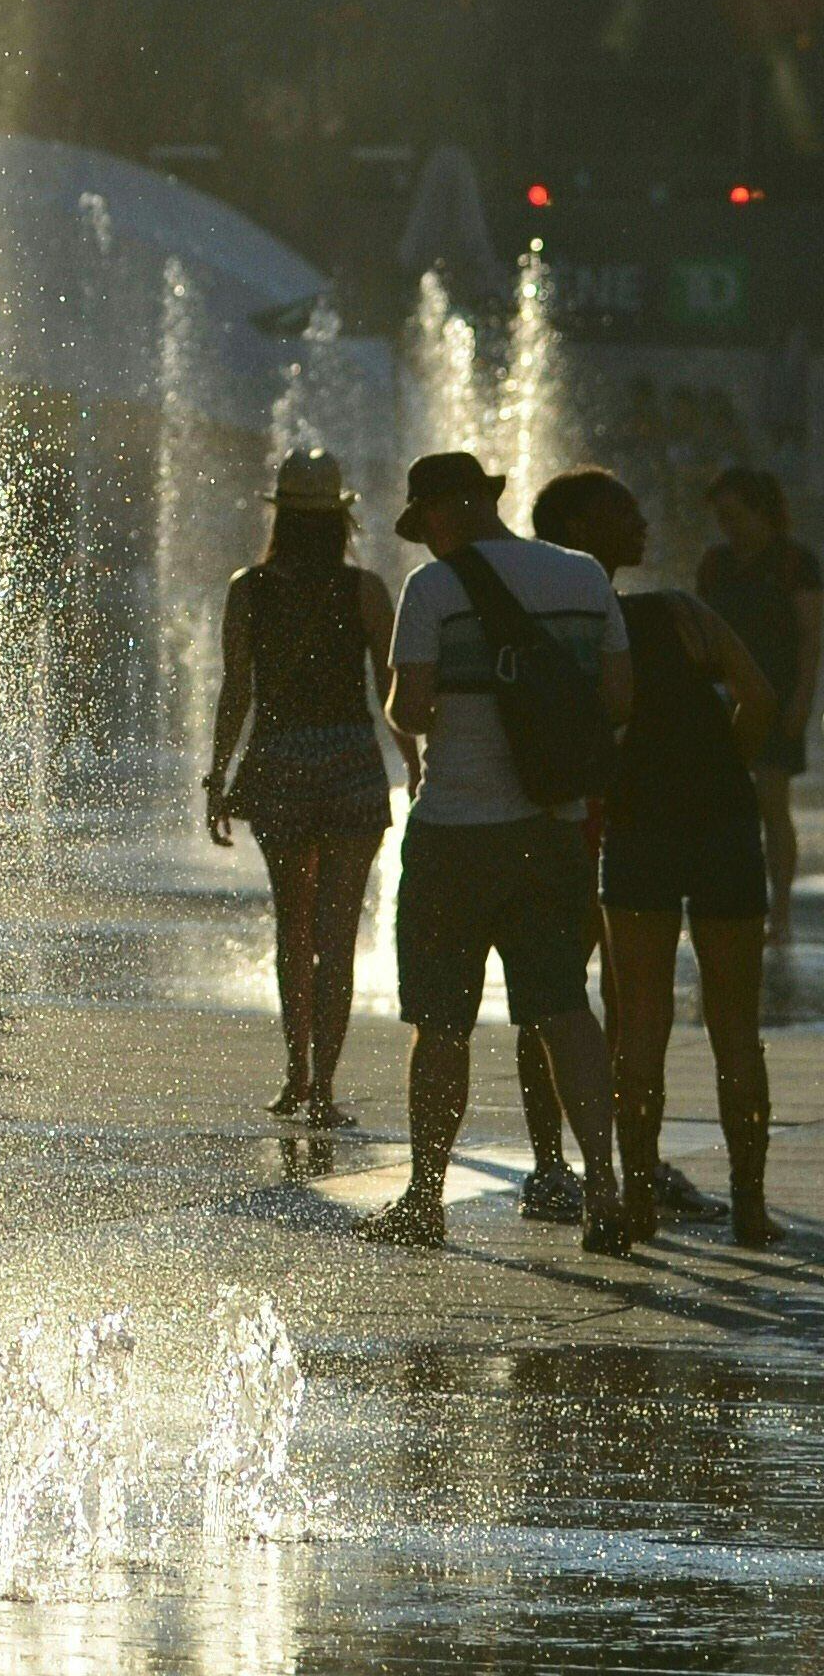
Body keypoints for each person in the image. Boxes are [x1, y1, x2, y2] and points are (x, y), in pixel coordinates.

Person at [363, 452, 634, 1256]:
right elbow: (619, 701)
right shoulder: (584, 577)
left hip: (456, 833)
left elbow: (409, 712)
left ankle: (424, 1198)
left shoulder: (436, 589)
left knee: (441, 1022)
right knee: (563, 1008)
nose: (427, 540)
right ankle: (605, 1189)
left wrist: (432, 691)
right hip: (551, 831)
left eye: (427, 522)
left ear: (453, 509)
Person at [536, 470, 785, 1245]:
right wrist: (726, 770)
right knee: (735, 1024)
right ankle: (749, 1206)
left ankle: (636, 1201)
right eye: (624, 513)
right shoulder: (680, 614)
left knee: (637, 1022)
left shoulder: (555, 626)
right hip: (721, 827)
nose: (643, 523)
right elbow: (761, 699)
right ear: (577, 528)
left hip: (636, 828)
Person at [204, 449, 413, 1129]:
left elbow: (238, 689)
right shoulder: (366, 590)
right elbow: (392, 691)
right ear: (340, 519)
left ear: (281, 515)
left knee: (292, 932)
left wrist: (217, 778)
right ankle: (324, 1086)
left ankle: (295, 1075)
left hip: (280, 770)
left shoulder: (250, 588)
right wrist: (415, 765)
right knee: (337, 935)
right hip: (352, 769)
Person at [696, 465, 823, 944]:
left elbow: (811, 638)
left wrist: (801, 703)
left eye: (733, 515)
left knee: (773, 804)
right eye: (720, 517)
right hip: (723, 698)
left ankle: (782, 911)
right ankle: (729, 903)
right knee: (721, 804)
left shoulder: (794, 563)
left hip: (777, 697)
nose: (727, 526)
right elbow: (700, 631)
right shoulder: (716, 563)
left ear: (761, 510)